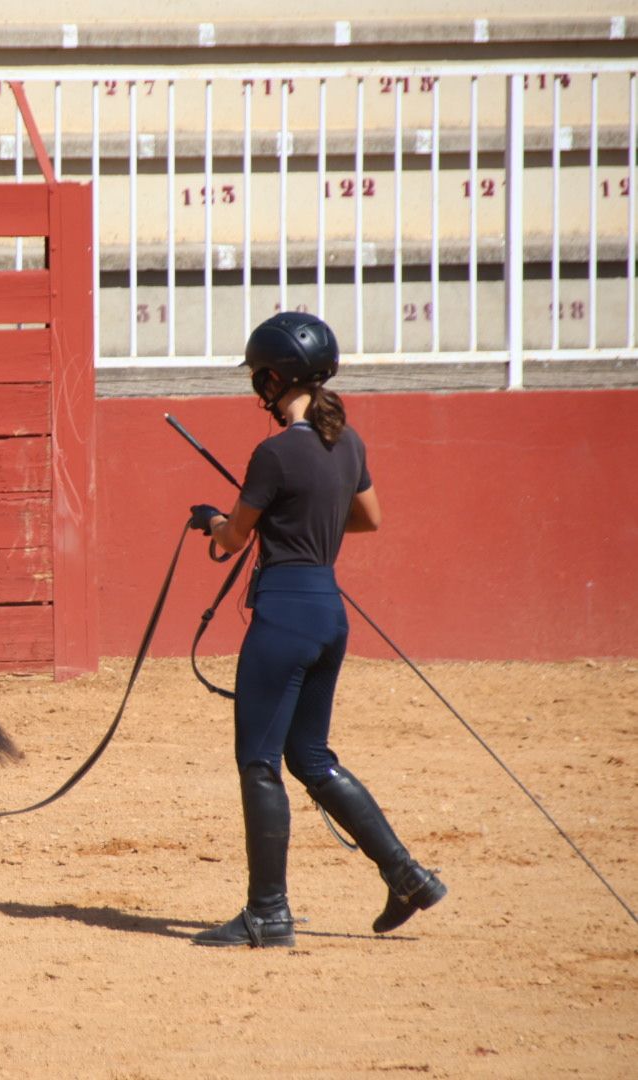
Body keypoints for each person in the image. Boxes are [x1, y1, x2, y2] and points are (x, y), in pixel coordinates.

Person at [186, 311, 446, 948]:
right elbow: (368, 519)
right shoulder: (348, 443)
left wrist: (214, 520)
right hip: (329, 612)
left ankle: (268, 913)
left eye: (258, 378)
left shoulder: (275, 452)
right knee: (310, 756)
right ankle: (406, 874)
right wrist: (305, 525)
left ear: (276, 378)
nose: (257, 389)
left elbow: (233, 537)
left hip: (283, 614)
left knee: (259, 762)